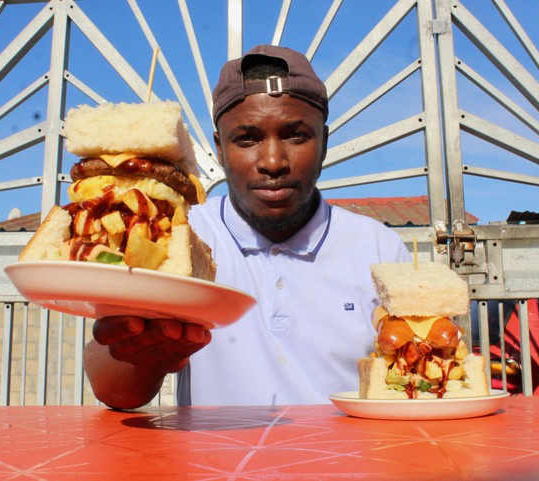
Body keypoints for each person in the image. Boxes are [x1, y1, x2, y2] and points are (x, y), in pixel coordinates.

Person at [83, 44, 411, 408]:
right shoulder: (178, 236)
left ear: (324, 143)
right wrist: (145, 358)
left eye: (295, 135)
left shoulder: (378, 249)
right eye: (248, 139)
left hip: (347, 464)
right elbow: (111, 390)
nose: (273, 161)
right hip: (214, 465)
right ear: (220, 150)